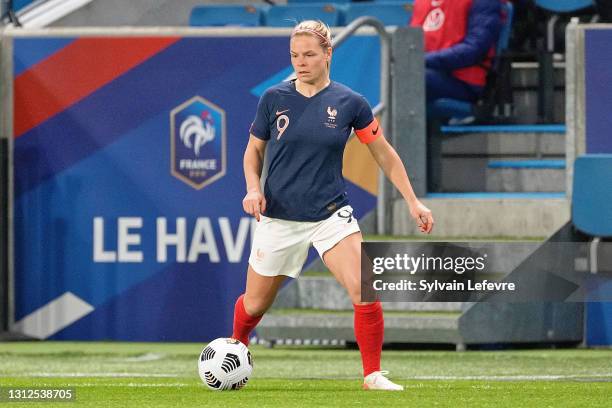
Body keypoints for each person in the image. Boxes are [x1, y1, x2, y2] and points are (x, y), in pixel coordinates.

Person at [230, 20, 434, 391]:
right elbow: (252, 152)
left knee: (363, 287)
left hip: (330, 215)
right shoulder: (273, 98)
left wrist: (413, 201)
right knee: (255, 304)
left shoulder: (350, 103)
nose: (301, 62)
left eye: (309, 54)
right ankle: (236, 352)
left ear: (328, 54)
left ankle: (372, 375)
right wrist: (252, 189)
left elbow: (384, 155)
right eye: (295, 55)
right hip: (279, 217)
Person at [410, 0, 503, 104]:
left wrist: (421, 60)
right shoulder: (422, 2)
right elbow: (410, 44)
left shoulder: (484, 2)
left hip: (464, 82)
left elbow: (473, 50)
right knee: (396, 73)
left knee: (410, 76)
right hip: (429, 71)